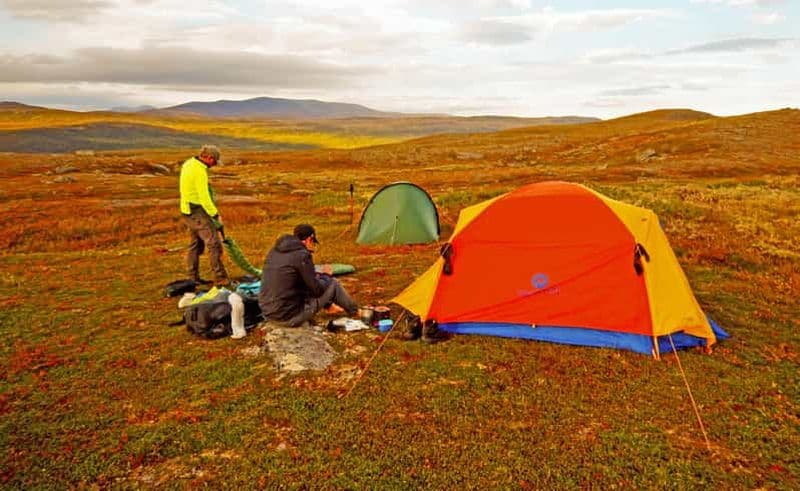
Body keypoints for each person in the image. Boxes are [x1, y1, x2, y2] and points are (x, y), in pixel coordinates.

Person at [259, 224, 358, 327]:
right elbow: (316, 290)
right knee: (332, 283)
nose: (313, 246)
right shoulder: (302, 255)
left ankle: (330, 307)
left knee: (306, 284)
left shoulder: (274, 251)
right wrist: (325, 275)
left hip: (268, 313)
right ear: (309, 239)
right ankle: (356, 312)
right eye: (313, 242)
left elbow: (297, 283)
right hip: (287, 318)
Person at [179, 144, 229, 286]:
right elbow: (204, 197)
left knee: (195, 244)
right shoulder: (199, 170)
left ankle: (193, 277)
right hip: (197, 210)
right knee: (214, 244)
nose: (213, 165)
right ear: (208, 157)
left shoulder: (189, 163)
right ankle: (221, 279)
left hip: (187, 209)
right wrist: (215, 214)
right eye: (214, 161)